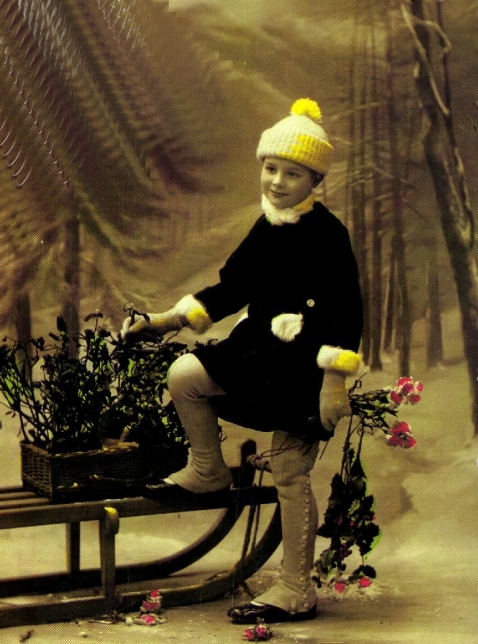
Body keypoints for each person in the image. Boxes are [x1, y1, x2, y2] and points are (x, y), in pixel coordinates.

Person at [121, 98, 363, 623]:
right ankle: (208, 469)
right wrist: (167, 319)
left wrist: (334, 382)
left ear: (315, 179)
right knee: (185, 375)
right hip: (260, 354)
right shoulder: (267, 225)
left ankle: (295, 587)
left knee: (290, 473)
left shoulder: (329, 235)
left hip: (305, 368)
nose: (277, 181)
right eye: (271, 168)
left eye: (292, 173)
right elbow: (232, 288)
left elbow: (346, 316)